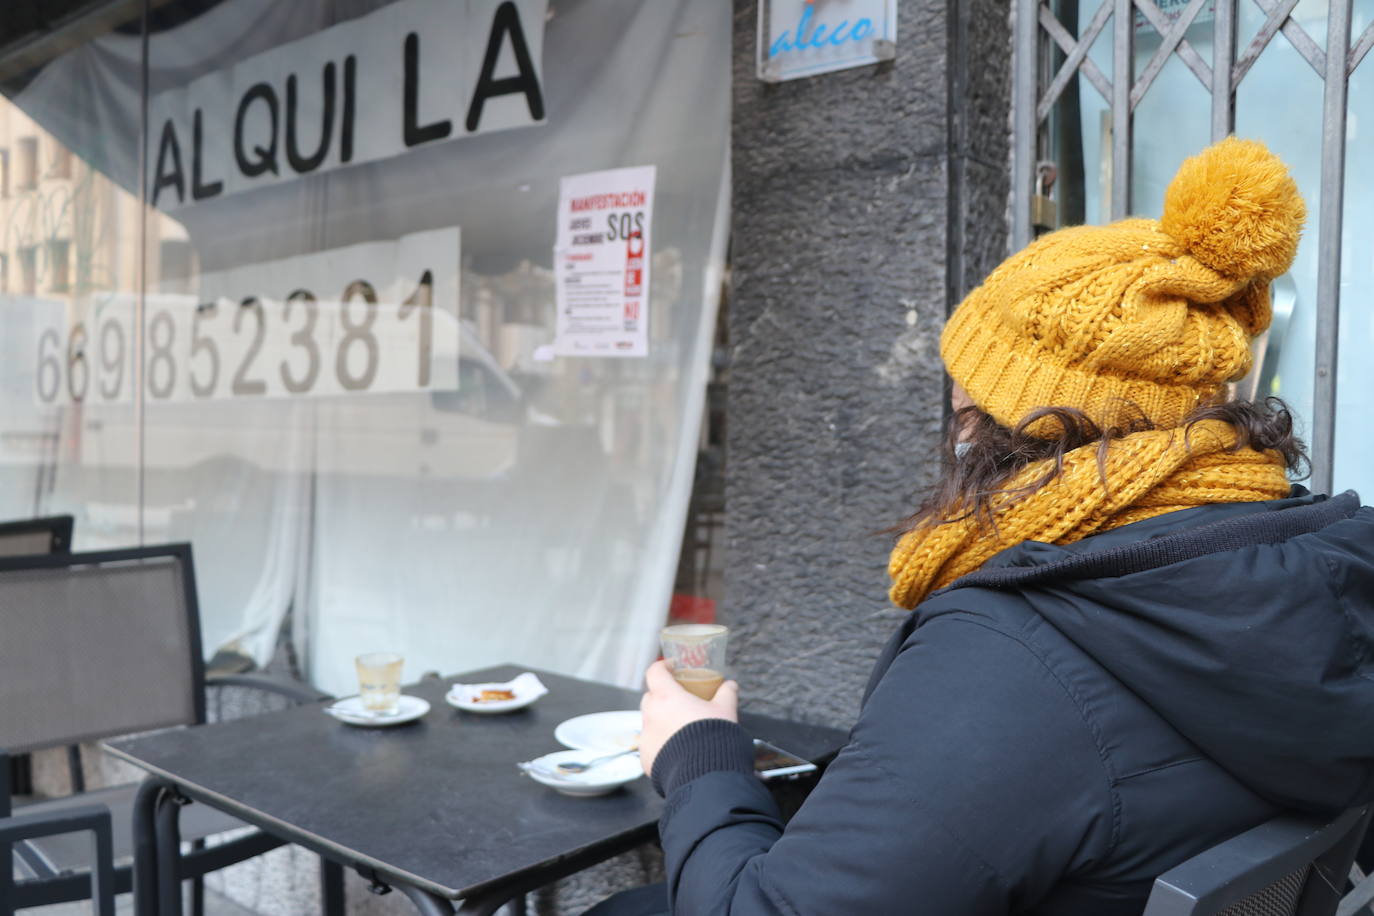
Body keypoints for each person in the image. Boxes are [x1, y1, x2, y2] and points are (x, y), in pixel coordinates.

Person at [587, 137, 1374, 915]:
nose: (955, 424)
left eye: (964, 399)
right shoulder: (1312, 570)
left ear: (1004, 423)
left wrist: (697, 756)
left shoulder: (1018, 646)